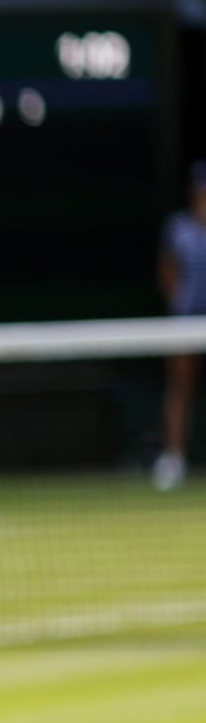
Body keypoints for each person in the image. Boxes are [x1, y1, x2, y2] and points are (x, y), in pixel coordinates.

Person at [153, 161, 206, 491]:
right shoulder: (179, 227)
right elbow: (167, 269)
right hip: (186, 321)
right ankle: (174, 458)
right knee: (180, 389)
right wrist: (178, 305)